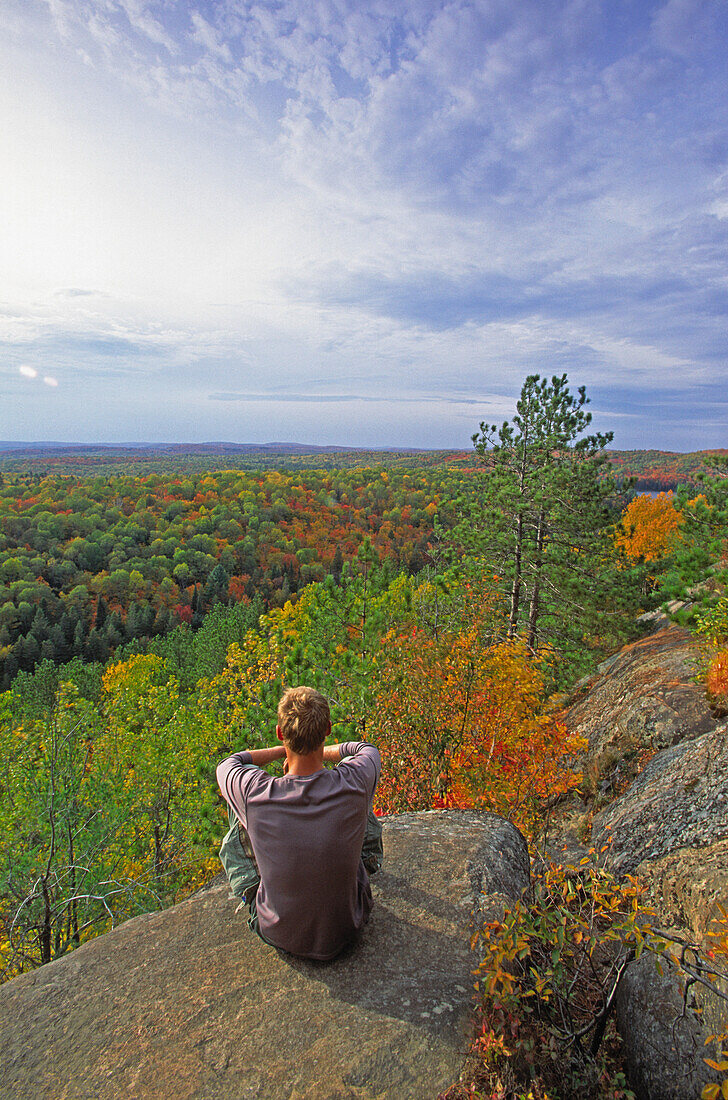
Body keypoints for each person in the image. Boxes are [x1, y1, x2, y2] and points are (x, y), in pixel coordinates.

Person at [216, 685, 383, 961]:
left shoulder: (256, 792)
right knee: (359, 792)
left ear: (281, 733)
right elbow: (363, 749)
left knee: (239, 805)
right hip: (349, 924)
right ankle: (363, 865)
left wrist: (282, 751)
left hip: (280, 933)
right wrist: (321, 751)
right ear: (328, 728)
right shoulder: (353, 780)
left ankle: (252, 891)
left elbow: (230, 763)